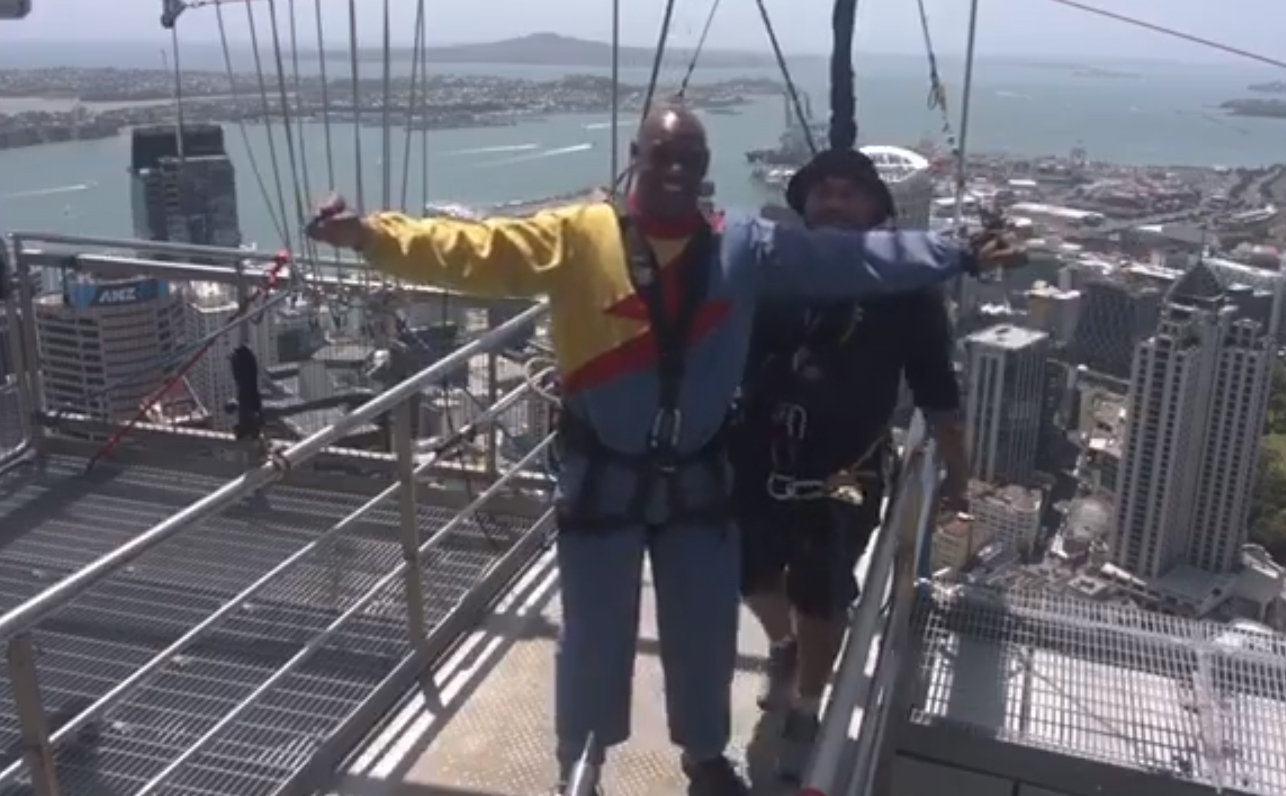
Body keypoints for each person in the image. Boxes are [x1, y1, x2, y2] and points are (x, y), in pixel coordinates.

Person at [306, 104, 1021, 796]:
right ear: (636, 161)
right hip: (603, 478)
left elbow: (853, 259)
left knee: (704, 634)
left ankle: (704, 758)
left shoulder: (744, 243)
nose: (675, 170)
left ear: (704, 167)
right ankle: (582, 763)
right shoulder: (580, 237)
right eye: (662, 156)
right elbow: (472, 250)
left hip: (696, 481)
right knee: (592, 635)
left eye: (688, 159)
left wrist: (957, 254)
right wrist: (368, 234)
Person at [731, 148, 973, 780]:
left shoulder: (905, 290)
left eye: (850, 193)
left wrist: (957, 474)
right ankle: (785, 645)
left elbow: (936, 390)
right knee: (751, 577)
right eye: (823, 192)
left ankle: (808, 702)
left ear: (875, 210)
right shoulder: (770, 271)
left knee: (822, 593)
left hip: (845, 472)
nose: (833, 202)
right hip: (758, 456)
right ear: (803, 207)